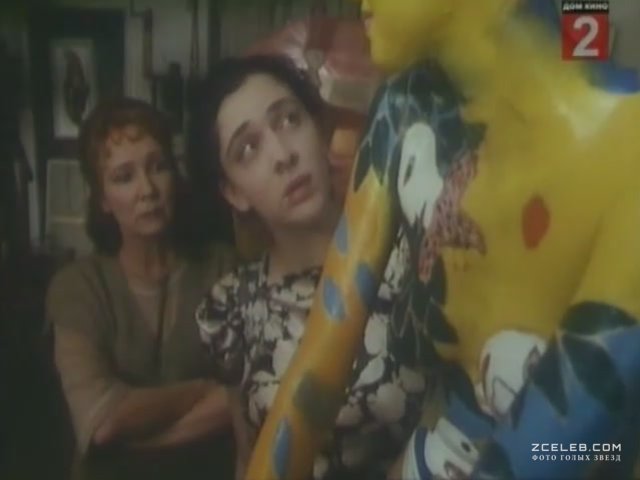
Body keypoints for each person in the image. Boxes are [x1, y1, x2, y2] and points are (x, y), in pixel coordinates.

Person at [193, 54, 427, 480]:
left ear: (319, 129)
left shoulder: (417, 260)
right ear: (234, 193)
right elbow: (250, 456)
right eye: (248, 149)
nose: (283, 155)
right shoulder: (231, 308)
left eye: (288, 120)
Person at [46, 97, 237, 480]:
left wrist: (146, 440)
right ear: (103, 199)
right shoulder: (78, 287)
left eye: (158, 167)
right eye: (124, 177)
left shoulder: (222, 267)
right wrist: (203, 389)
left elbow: (247, 395)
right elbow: (102, 419)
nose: (147, 189)